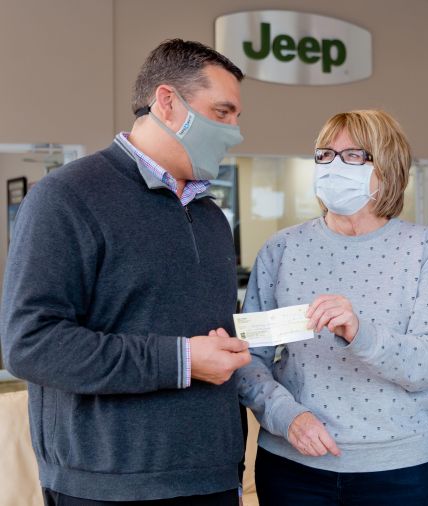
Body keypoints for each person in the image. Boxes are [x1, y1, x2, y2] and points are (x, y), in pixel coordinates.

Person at [0, 39, 252, 504]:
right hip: (109, 486)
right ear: (167, 102)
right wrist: (181, 360)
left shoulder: (212, 218)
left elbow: (214, 334)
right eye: (222, 112)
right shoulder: (67, 199)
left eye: (237, 116)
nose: (234, 131)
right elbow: (29, 344)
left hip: (213, 478)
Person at [236, 110, 428, 506]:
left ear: (387, 167)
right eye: (325, 155)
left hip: (395, 470)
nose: (334, 166)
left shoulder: (421, 249)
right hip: (293, 467)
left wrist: (360, 333)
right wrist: (288, 417)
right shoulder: (282, 249)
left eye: (354, 155)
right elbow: (249, 358)